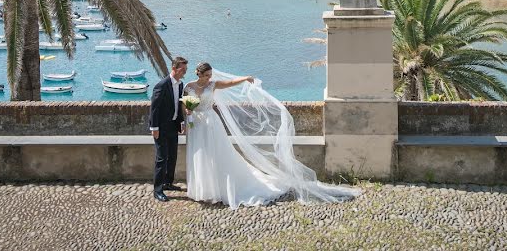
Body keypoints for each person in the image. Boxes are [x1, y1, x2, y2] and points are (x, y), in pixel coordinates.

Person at [183, 62, 359, 209]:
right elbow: (185, 106)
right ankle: (203, 189)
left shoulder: (213, 85)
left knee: (217, 154)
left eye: (210, 75)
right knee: (199, 155)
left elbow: (231, 83)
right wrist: (188, 113)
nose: (209, 78)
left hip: (212, 124)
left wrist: (245, 78)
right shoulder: (188, 87)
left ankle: (219, 188)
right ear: (199, 74)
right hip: (197, 125)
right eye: (206, 75)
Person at [149, 56, 188, 202]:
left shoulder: (180, 84)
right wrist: (154, 127)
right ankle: (157, 190)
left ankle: (168, 183)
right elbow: (154, 108)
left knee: (172, 156)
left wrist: (181, 122)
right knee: (161, 159)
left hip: (173, 126)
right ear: (174, 68)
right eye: (182, 69)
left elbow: (177, 106)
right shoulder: (161, 85)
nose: (184, 72)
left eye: (185, 69)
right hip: (161, 128)